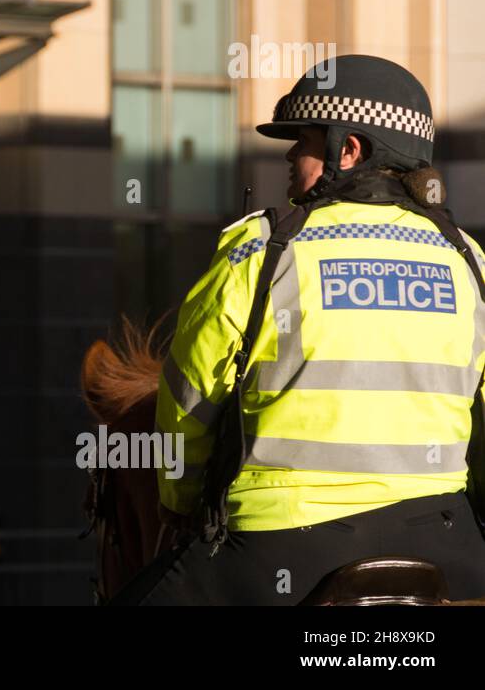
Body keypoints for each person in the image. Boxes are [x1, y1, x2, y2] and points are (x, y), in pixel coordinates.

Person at [112, 54, 485, 605]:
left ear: (349, 150)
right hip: (447, 543)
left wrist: (182, 499)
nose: (290, 156)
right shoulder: (469, 261)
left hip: (279, 545)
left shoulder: (261, 253)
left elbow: (188, 400)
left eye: (304, 140)